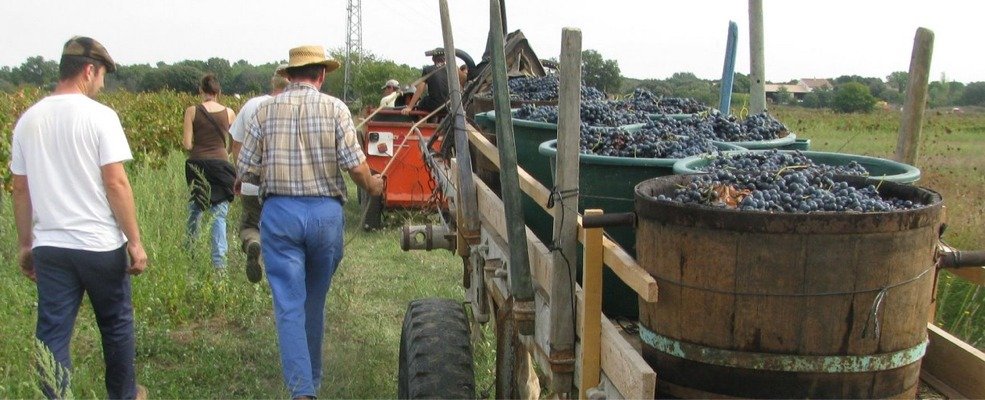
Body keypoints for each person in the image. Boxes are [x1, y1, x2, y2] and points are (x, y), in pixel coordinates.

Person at [237, 45, 384, 399]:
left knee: (288, 304)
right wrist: (373, 186)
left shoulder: (264, 111)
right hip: (325, 216)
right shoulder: (335, 109)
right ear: (321, 75)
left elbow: (244, 171)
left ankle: (303, 390)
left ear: (288, 76)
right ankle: (312, 378)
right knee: (313, 302)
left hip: (280, 214)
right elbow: (356, 165)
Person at [10, 36, 148, 400]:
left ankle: (55, 395)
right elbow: (116, 182)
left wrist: (26, 244)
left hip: (51, 247)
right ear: (89, 70)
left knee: (52, 332)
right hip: (99, 244)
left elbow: (20, 189)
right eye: (101, 76)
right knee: (116, 325)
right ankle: (124, 395)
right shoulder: (100, 117)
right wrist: (134, 241)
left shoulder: (28, 120)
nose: (102, 84)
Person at [229, 65, 289, 283]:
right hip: (281, 185)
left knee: (249, 225)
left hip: (252, 182)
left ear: (272, 84)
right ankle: (279, 273)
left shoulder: (252, 105)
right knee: (282, 232)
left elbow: (236, 144)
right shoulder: (293, 107)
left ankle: (253, 242)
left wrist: (240, 175)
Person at [183, 74, 237, 270]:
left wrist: (200, 148)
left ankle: (190, 255)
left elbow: (187, 143)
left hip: (197, 164)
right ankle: (219, 265)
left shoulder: (192, 111)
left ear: (201, 91)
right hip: (221, 165)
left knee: (195, 209)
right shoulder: (229, 112)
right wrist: (225, 153)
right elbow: (235, 141)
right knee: (219, 214)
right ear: (218, 92)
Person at [401, 47, 450, 115]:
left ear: (433, 59)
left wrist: (409, 107)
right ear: (444, 59)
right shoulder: (451, 70)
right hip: (449, 106)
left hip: (434, 106)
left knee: (420, 103)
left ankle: (423, 124)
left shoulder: (427, 69)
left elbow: (420, 89)